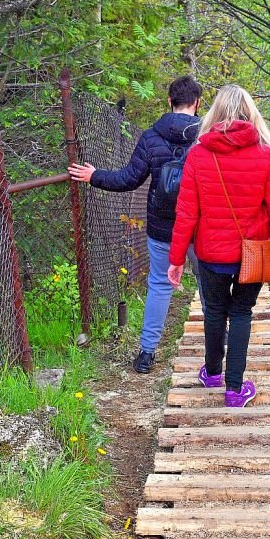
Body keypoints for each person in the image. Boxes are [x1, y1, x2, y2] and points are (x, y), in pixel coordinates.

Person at [167, 85, 270, 408]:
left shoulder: (198, 154)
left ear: (214, 112)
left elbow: (187, 213)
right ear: (250, 114)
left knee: (214, 311)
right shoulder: (266, 156)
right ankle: (235, 390)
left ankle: (213, 373)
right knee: (241, 313)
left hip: (211, 253)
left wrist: (176, 258)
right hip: (252, 253)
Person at [68, 76, 204, 373]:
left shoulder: (151, 137)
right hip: (200, 227)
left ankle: (146, 353)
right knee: (208, 283)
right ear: (197, 103)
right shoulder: (207, 137)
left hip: (162, 226)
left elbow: (129, 179)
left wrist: (95, 176)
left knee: (160, 285)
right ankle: (217, 346)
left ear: (169, 101)